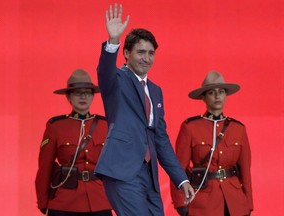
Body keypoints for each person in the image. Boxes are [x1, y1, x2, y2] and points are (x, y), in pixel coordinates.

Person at [94, 3, 195, 216]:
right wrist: (113, 41)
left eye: (151, 53)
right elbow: (104, 72)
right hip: (122, 171)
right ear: (126, 53)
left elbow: (161, 139)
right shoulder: (117, 80)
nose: (146, 58)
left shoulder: (156, 91)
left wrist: (181, 178)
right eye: (140, 52)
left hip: (148, 175)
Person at [170, 71, 253, 216]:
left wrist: (248, 202)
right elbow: (178, 169)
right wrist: (180, 202)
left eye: (221, 92)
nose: (217, 96)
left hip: (234, 201)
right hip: (203, 200)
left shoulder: (238, 128)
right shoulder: (190, 127)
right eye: (211, 92)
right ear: (203, 97)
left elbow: (245, 170)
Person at [35, 69, 112, 216]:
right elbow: (44, 168)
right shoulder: (55, 126)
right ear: (68, 97)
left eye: (88, 92)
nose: (83, 96)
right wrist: (44, 203)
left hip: (99, 202)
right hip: (64, 203)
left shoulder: (105, 125)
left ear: (92, 96)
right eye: (77, 92)